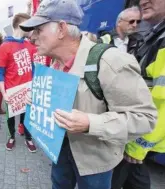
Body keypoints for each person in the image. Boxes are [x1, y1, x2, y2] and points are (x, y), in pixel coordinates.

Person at [19, 0, 158, 188]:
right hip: (60, 151)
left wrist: (91, 123)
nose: (31, 37)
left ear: (61, 29)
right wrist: (37, 99)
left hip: (94, 163)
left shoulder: (111, 61)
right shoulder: (54, 64)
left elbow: (144, 118)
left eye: (38, 30)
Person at [112, 0, 165, 188]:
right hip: (134, 128)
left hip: (139, 134)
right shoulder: (155, 36)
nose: (143, 1)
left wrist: (139, 144)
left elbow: (162, 101)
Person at [0, 13, 36, 152]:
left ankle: (28, 138)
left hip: (28, 90)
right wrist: (4, 93)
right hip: (11, 91)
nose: (32, 28)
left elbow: (34, 68)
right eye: (30, 25)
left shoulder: (30, 46)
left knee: (27, 116)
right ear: (21, 26)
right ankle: (11, 136)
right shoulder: (4, 47)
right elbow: (0, 73)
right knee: (11, 118)